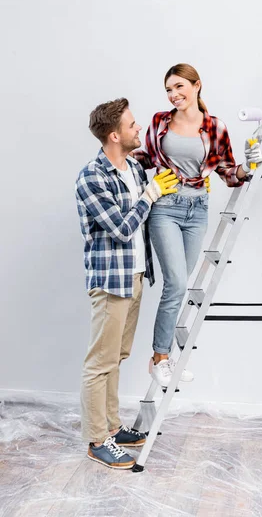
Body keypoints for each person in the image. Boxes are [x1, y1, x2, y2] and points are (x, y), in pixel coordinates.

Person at [134, 64, 262, 387]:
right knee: (176, 283)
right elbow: (144, 159)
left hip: (198, 210)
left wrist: (249, 166)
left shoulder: (215, 127)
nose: (173, 94)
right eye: (168, 89)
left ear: (197, 86)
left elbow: (230, 175)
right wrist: (115, 155)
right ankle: (160, 359)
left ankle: (163, 357)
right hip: (165, 207)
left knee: (182, 285)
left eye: (179, 87)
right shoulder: (159, 122)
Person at [75, 97, 178, 469]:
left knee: (115, 358)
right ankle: (96, 440)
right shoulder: (92, 177)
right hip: (110, 281)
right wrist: (151, 196)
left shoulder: (133, 169)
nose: (139, 130)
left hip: (134, 275)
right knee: (99, 363)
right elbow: (120, 228)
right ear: (115, 135)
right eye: (133, 125)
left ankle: (113, 428)